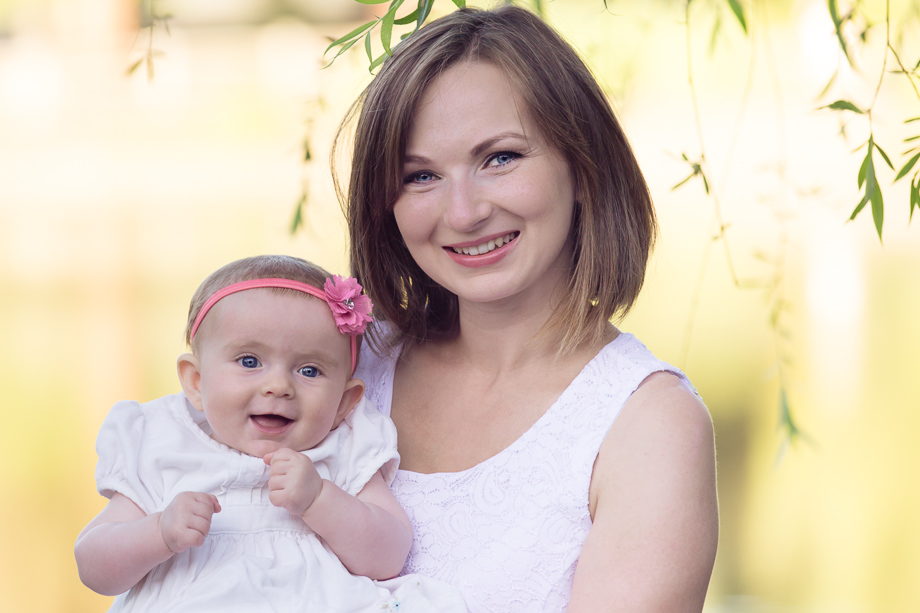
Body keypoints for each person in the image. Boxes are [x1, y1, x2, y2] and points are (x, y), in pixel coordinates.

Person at [335, 5, 719, 612]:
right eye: (420, 176)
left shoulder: (648, 426)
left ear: (583, 165)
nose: (463, 214)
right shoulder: (343, 368)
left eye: (501, 158)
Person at [74, 255, 468, 612]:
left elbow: (389, 555)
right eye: (250, 361)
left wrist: (320, 499)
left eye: (309, 370)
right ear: (195, 382)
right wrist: (158, 533)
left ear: (345, 402)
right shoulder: (161, 442)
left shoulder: (343, 447)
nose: (279, 385)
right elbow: (93, 565)